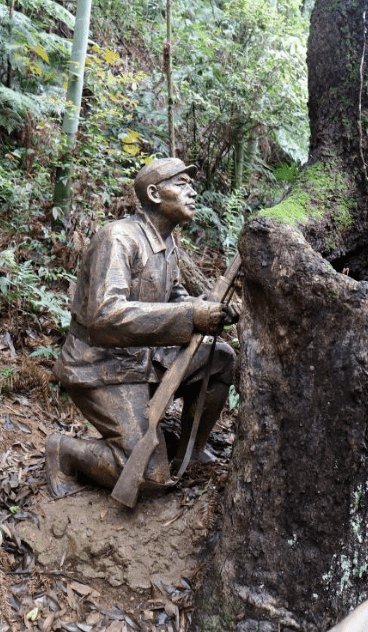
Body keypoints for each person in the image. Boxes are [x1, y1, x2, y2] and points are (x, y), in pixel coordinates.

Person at [46, 158, 239, 498]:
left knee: (221, 357)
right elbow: (105, 318)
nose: (192, 192)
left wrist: (209, 307)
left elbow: (174, 298)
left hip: (143, 357)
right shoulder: (117, 238)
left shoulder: (167, 244)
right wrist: (191, 316)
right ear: (153, 193)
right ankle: (64, 451)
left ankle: (190, 452)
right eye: (180, 184)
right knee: (148, 476)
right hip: (101, 365)